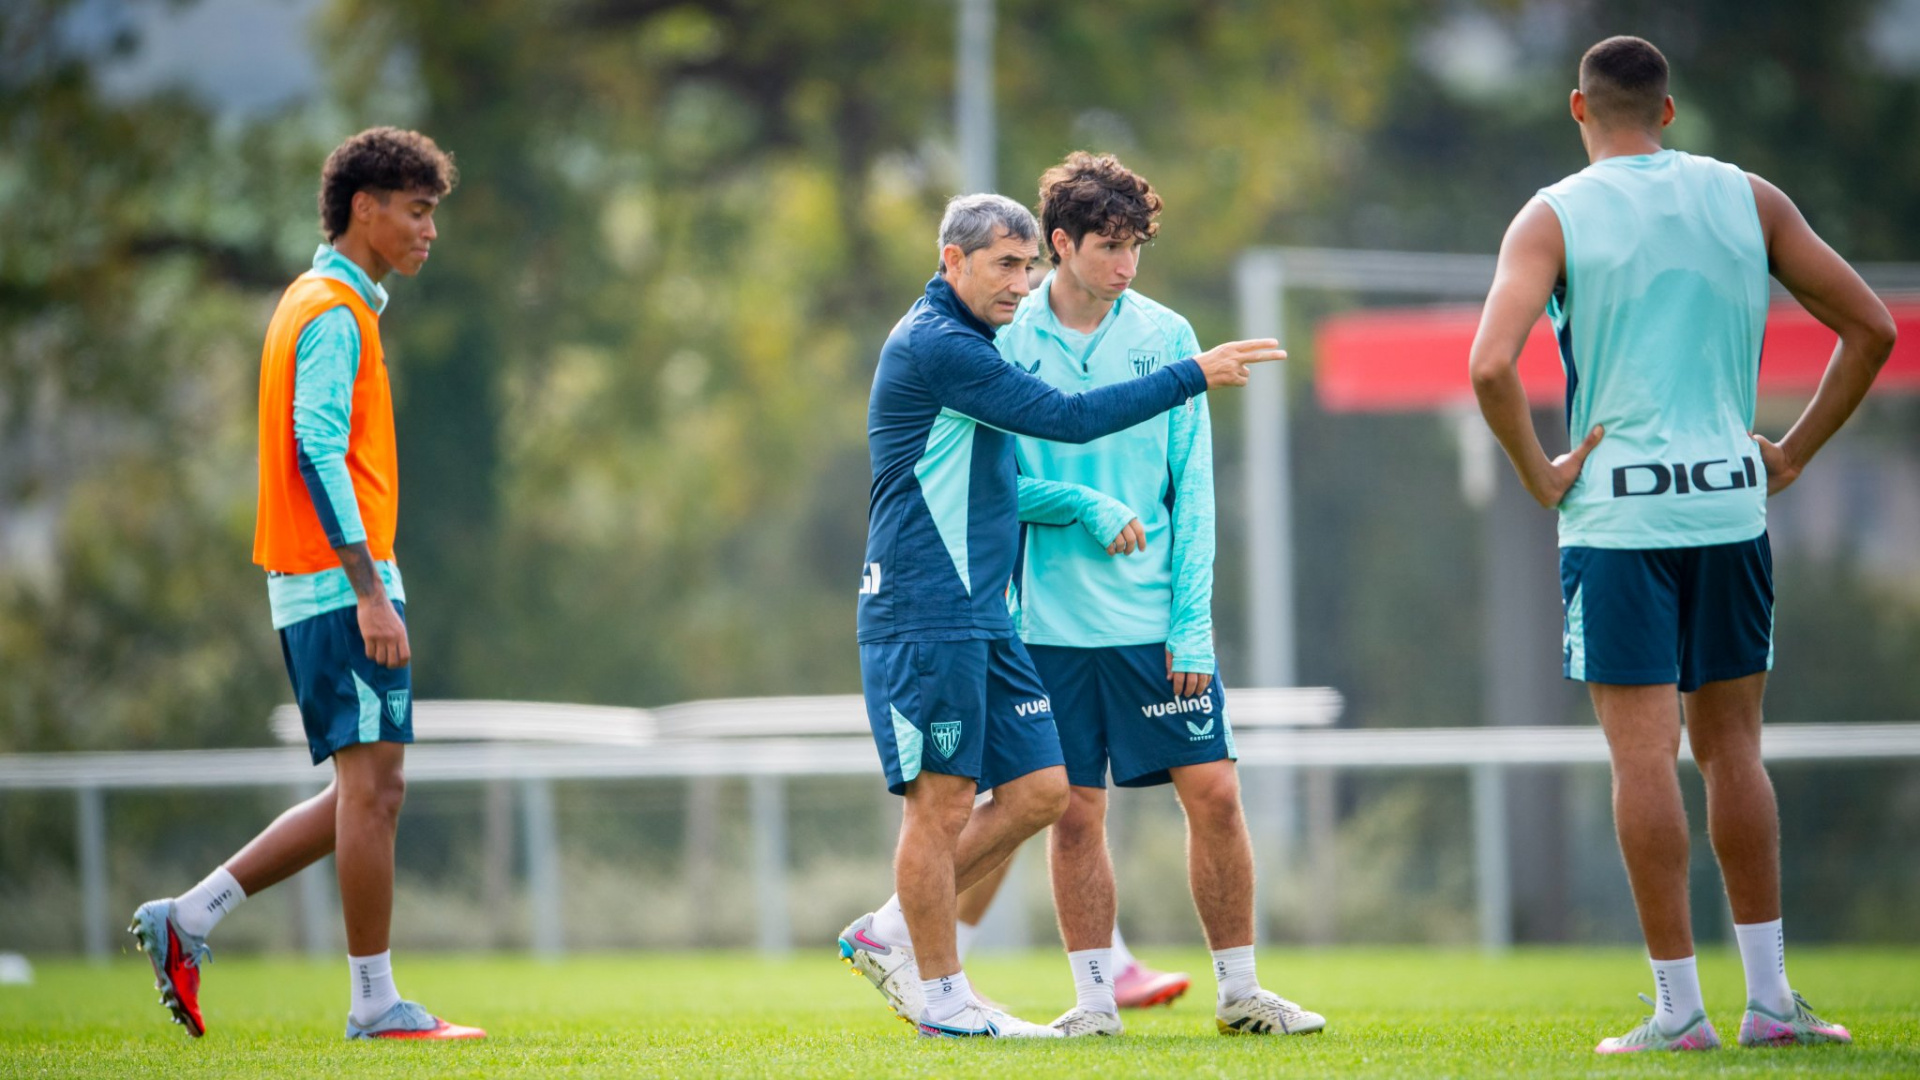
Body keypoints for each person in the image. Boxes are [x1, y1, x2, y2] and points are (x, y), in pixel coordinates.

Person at [1468, 36, 1893, 1054]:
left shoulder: (1553, 212)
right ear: (1668, 112)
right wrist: (1789, 452)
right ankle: (1772, 1001)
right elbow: (1872, 327)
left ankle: (1679, 1011)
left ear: (1580, 109)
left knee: (1642, 756)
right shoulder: (1751, 198)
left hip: (1617, 519)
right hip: (1727, 510)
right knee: (1733, 749)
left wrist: (1542, 474)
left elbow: (1491, 367)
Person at [839, 193, 1284, 1038]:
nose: (1020, 283)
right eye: (1004, 265)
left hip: (982, 613)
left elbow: (1012, 479)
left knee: (1044, 791)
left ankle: (887, 928)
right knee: (940, 804)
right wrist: (1196, 372)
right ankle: (943, 1001)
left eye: (1024, 265)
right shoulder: (942, 347)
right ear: (951, 263)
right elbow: (1069, 422)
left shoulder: (975, 341)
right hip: (925, 606)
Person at [129, 127, 483, 1042]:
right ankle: (375, 1004)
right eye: (416, 210)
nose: (427, 230)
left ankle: (192, 916)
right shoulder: (331, 310)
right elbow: (315, 446)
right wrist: (369, 589)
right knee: (374, 791)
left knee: (369, 790)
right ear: (364, 209)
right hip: (338, 582)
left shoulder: (315, 299)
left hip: (324, 579)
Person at [990, 151, 1323, 1038]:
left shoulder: (1170, 336)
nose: (1125, 264)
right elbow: (991, 489)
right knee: (1074, 810)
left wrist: (1191, 627)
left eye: (1135, 244)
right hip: (1051, 630)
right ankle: (1095, 1003)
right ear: (1060, 244)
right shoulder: (1006, 339)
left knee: (1214, 792)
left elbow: (1196, 492)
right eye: (1108, 245)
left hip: (1154, 624)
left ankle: (1242, 993)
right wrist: (1081, 505)